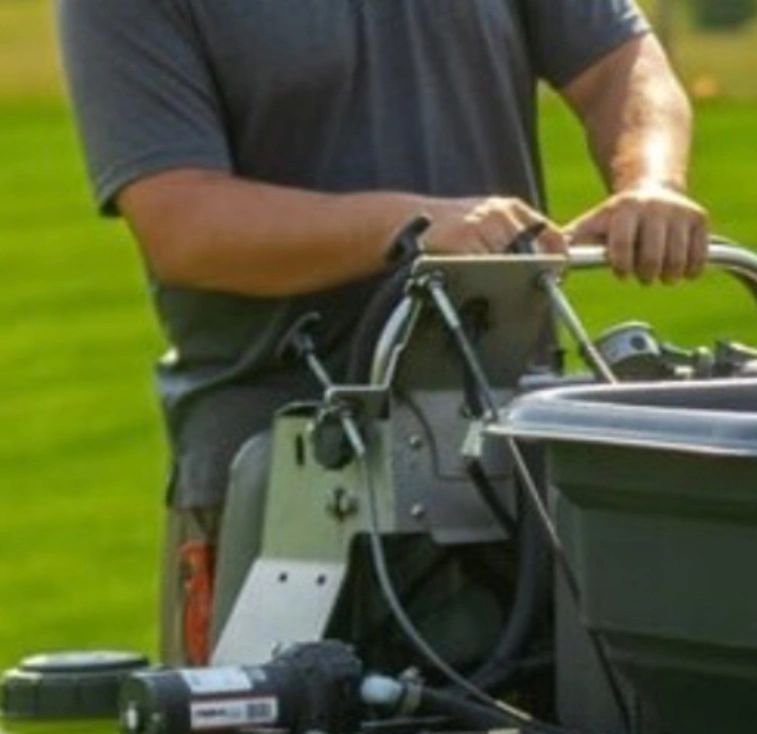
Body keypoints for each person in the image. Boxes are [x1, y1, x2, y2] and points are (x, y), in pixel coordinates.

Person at [55, 0, 709, 659]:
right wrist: (410, 226)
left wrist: (651, 181)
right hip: (282, 498)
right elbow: (183, 224)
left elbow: (621, 65)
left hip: (514, 464)